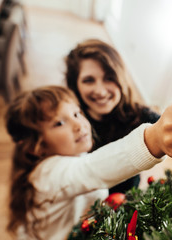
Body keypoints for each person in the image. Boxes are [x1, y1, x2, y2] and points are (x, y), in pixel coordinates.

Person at [5, 85, 172, 240]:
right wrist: (153, 139)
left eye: (76, 114)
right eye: (59, 123)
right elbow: (91, 169)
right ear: (37, 145)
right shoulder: (46, 174)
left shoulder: (71, 158)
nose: (78, 125)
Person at [65, 39, 160, 194]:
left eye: (109, 78)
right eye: (89, 80)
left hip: (125, 203)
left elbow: (168, 125)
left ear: (121, 78)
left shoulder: (139, 115)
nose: (101, 91)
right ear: (75, 85)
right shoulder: (68, 122)